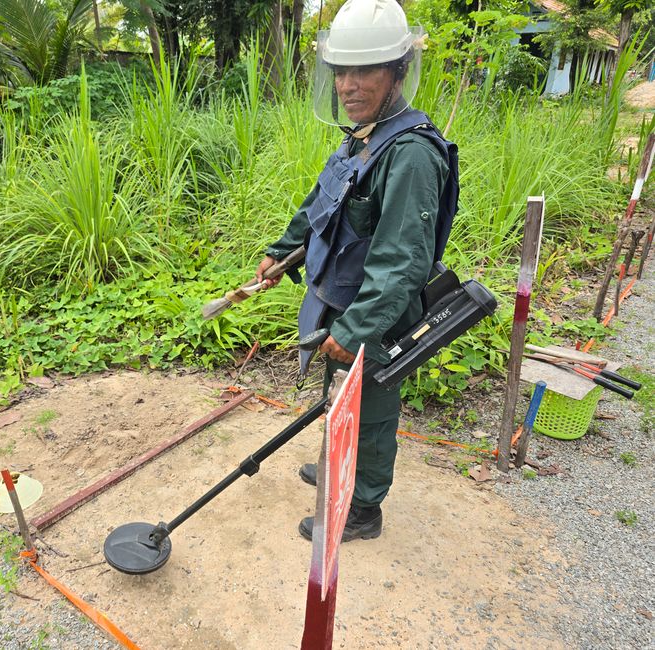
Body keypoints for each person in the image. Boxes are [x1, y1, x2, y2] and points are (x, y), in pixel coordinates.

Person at [254, 0, 459, 542]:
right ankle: (336, 466)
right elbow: (322, 203)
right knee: (338, 396)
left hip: (376, 316)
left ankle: (363, 508)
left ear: (396, 71)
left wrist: (356, 330)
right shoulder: (361, 137)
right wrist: (283, 252)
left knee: (368, 414)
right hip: (340, 299)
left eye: (364, 70)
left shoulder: (410, 153)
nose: (348, 84)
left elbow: (402, 262)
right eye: (341, 71)